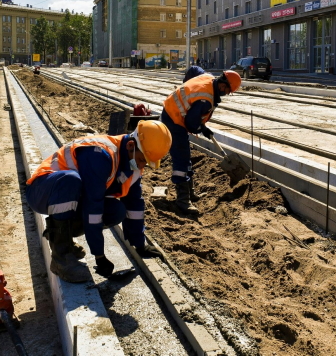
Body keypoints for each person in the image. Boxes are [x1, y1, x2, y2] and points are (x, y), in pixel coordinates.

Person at [25, 121, 172, 283]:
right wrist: (99, 255)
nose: (142, 166)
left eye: (146, 163)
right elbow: (92, 207)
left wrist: (140, 244)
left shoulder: (132, 164)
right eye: (141, 160)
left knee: (116, 211)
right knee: (70, 180)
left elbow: (135, 204)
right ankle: (61, 258)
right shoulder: (99, 154)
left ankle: (62, 237)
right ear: (131, 145)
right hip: (42, 191)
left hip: (67, 196)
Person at [161, 70, 242, 214]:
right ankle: (183, 201)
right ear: (223, 86)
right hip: (174, 119)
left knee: (185, 156)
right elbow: (191, 124)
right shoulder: (205, 99)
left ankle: (190, 194)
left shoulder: (208, 78)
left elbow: (194, 71)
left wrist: (203, 126)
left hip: (173, 111)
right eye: (228, 91)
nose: (226, 94)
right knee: (181, 159)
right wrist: (201, 128)